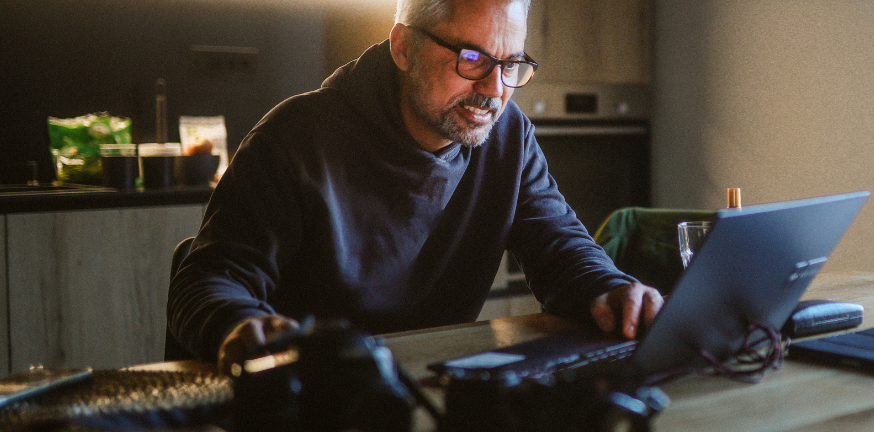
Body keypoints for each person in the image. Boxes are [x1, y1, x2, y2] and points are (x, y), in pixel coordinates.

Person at [167, 0, 662, 372]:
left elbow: (559, 244)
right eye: (472, 57)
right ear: (404, 47)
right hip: (307, 399)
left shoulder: (508, 138)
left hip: (430, 385)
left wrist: (609, 288)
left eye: (511, 63)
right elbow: (205, 280)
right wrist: (237, 325)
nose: (494, 90)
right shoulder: (296, 138)